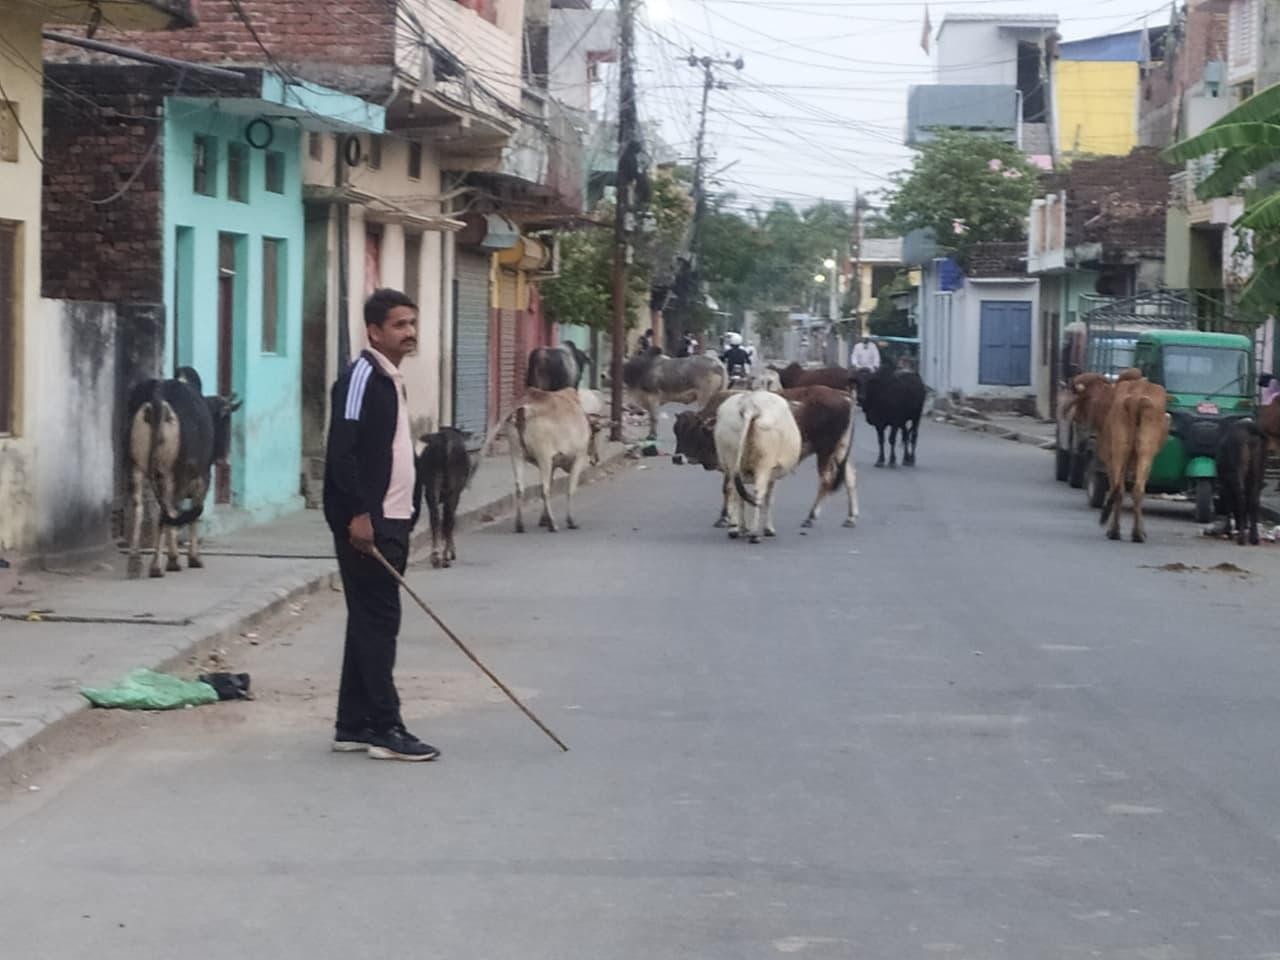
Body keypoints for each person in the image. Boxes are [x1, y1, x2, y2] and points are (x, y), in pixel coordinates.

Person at [323, 289, 440, 762]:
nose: (409, 333)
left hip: (392, 519)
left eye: (412, 323)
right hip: (368, 525)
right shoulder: (360, 378)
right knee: (380, 623)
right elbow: (341, 451)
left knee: (368, 621)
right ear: (374, 331)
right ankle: (386, 727)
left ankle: (352, 725)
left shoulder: (392, 379)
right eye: (399, 325)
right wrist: (358, 514)